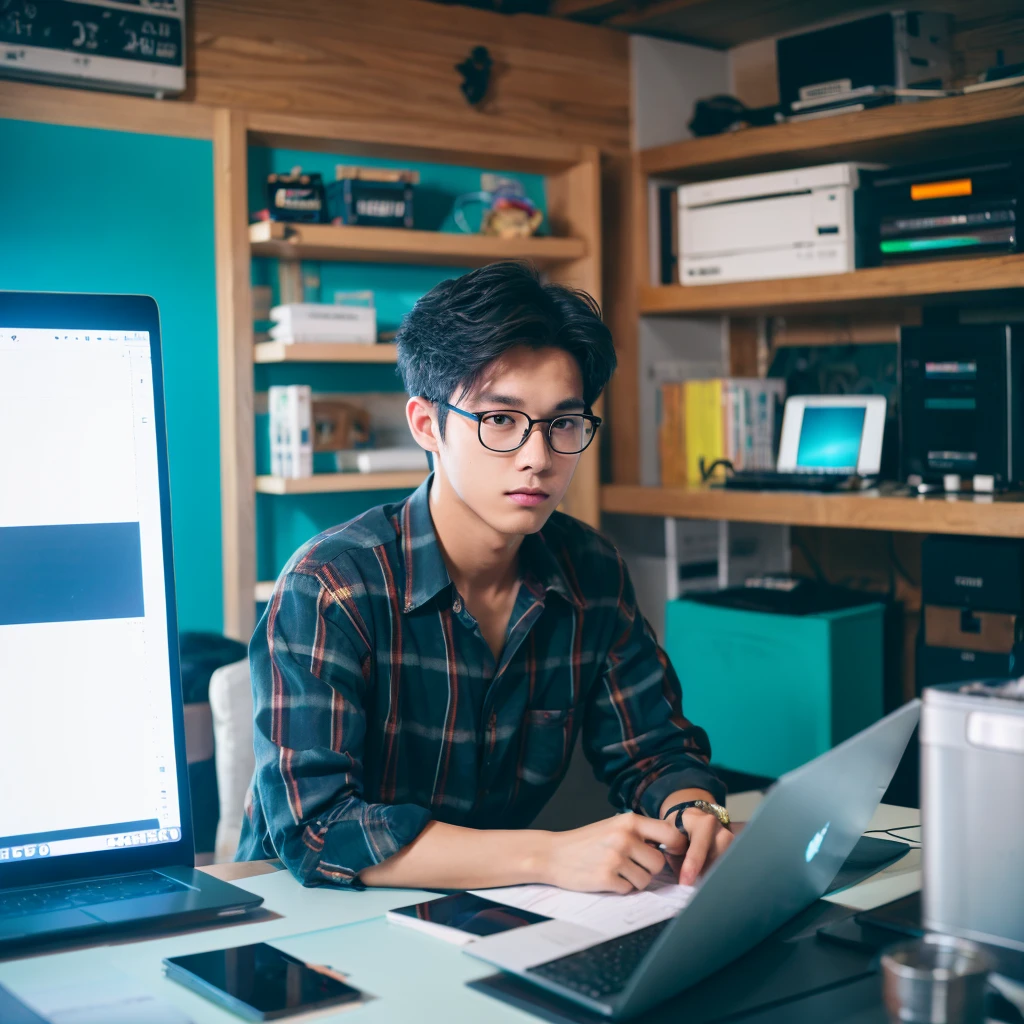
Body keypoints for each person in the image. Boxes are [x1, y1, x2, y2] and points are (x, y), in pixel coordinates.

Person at [238, 261, 733, 893]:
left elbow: (655, 751)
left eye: (563, 424)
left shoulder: (591, 571)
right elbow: (317, 828)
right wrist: (545, 857)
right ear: (428, 426)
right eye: (500, 420)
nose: (539, 457)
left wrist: (695, 811)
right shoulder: (331, 584)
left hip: (479, 914)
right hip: (300, 917)